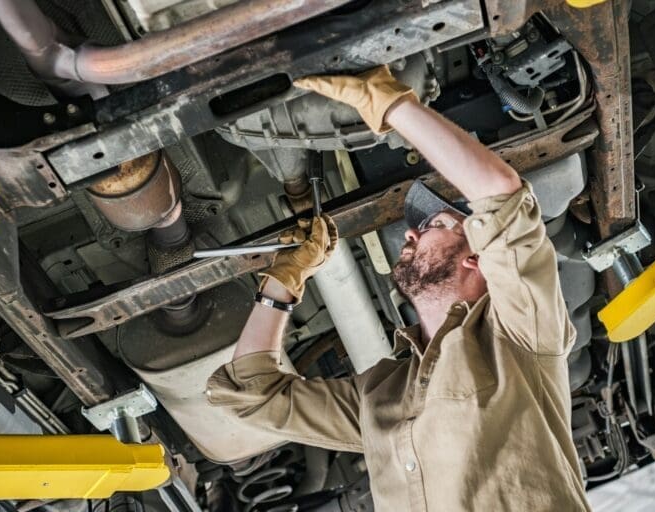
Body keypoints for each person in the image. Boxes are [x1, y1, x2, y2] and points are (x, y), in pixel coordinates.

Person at [206, 66, 590, 511]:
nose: (410, 234)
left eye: (430, 225)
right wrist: (391, 102)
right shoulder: (522, 337)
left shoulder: (383, 394)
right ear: (477, 257)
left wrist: (281, 283)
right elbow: (501, 195)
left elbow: (252, 395)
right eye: (435, 225)